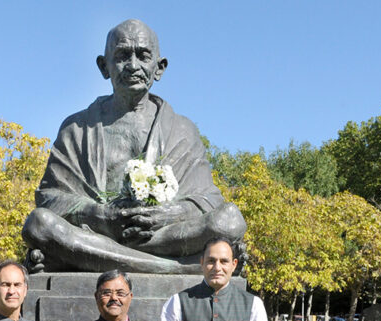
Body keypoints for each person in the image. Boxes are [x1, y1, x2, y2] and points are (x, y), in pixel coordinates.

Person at [22, 19, 246, 274]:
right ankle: (178, 268)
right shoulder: (76, 128)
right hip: (98, 234)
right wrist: (102, 216)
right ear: (103, 66)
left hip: (162, 237)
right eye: (122, 56)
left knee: (230, 219)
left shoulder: (183, 130)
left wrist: (169, 214)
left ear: (159, 68)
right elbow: (49, 199)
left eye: (143, 55)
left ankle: (102, 260)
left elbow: (208, 200)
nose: (133, 65)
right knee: (38, 223)